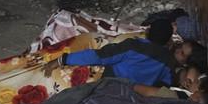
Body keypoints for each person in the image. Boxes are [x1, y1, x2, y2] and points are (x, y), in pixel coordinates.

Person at [46, 19, 177, 87]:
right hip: (138, 98)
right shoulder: (168, 61)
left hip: (111, 88)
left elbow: (99, 56)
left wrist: (61, 60)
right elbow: (165, 84)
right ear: (168, 41)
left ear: (147, 31)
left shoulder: (132, 46)